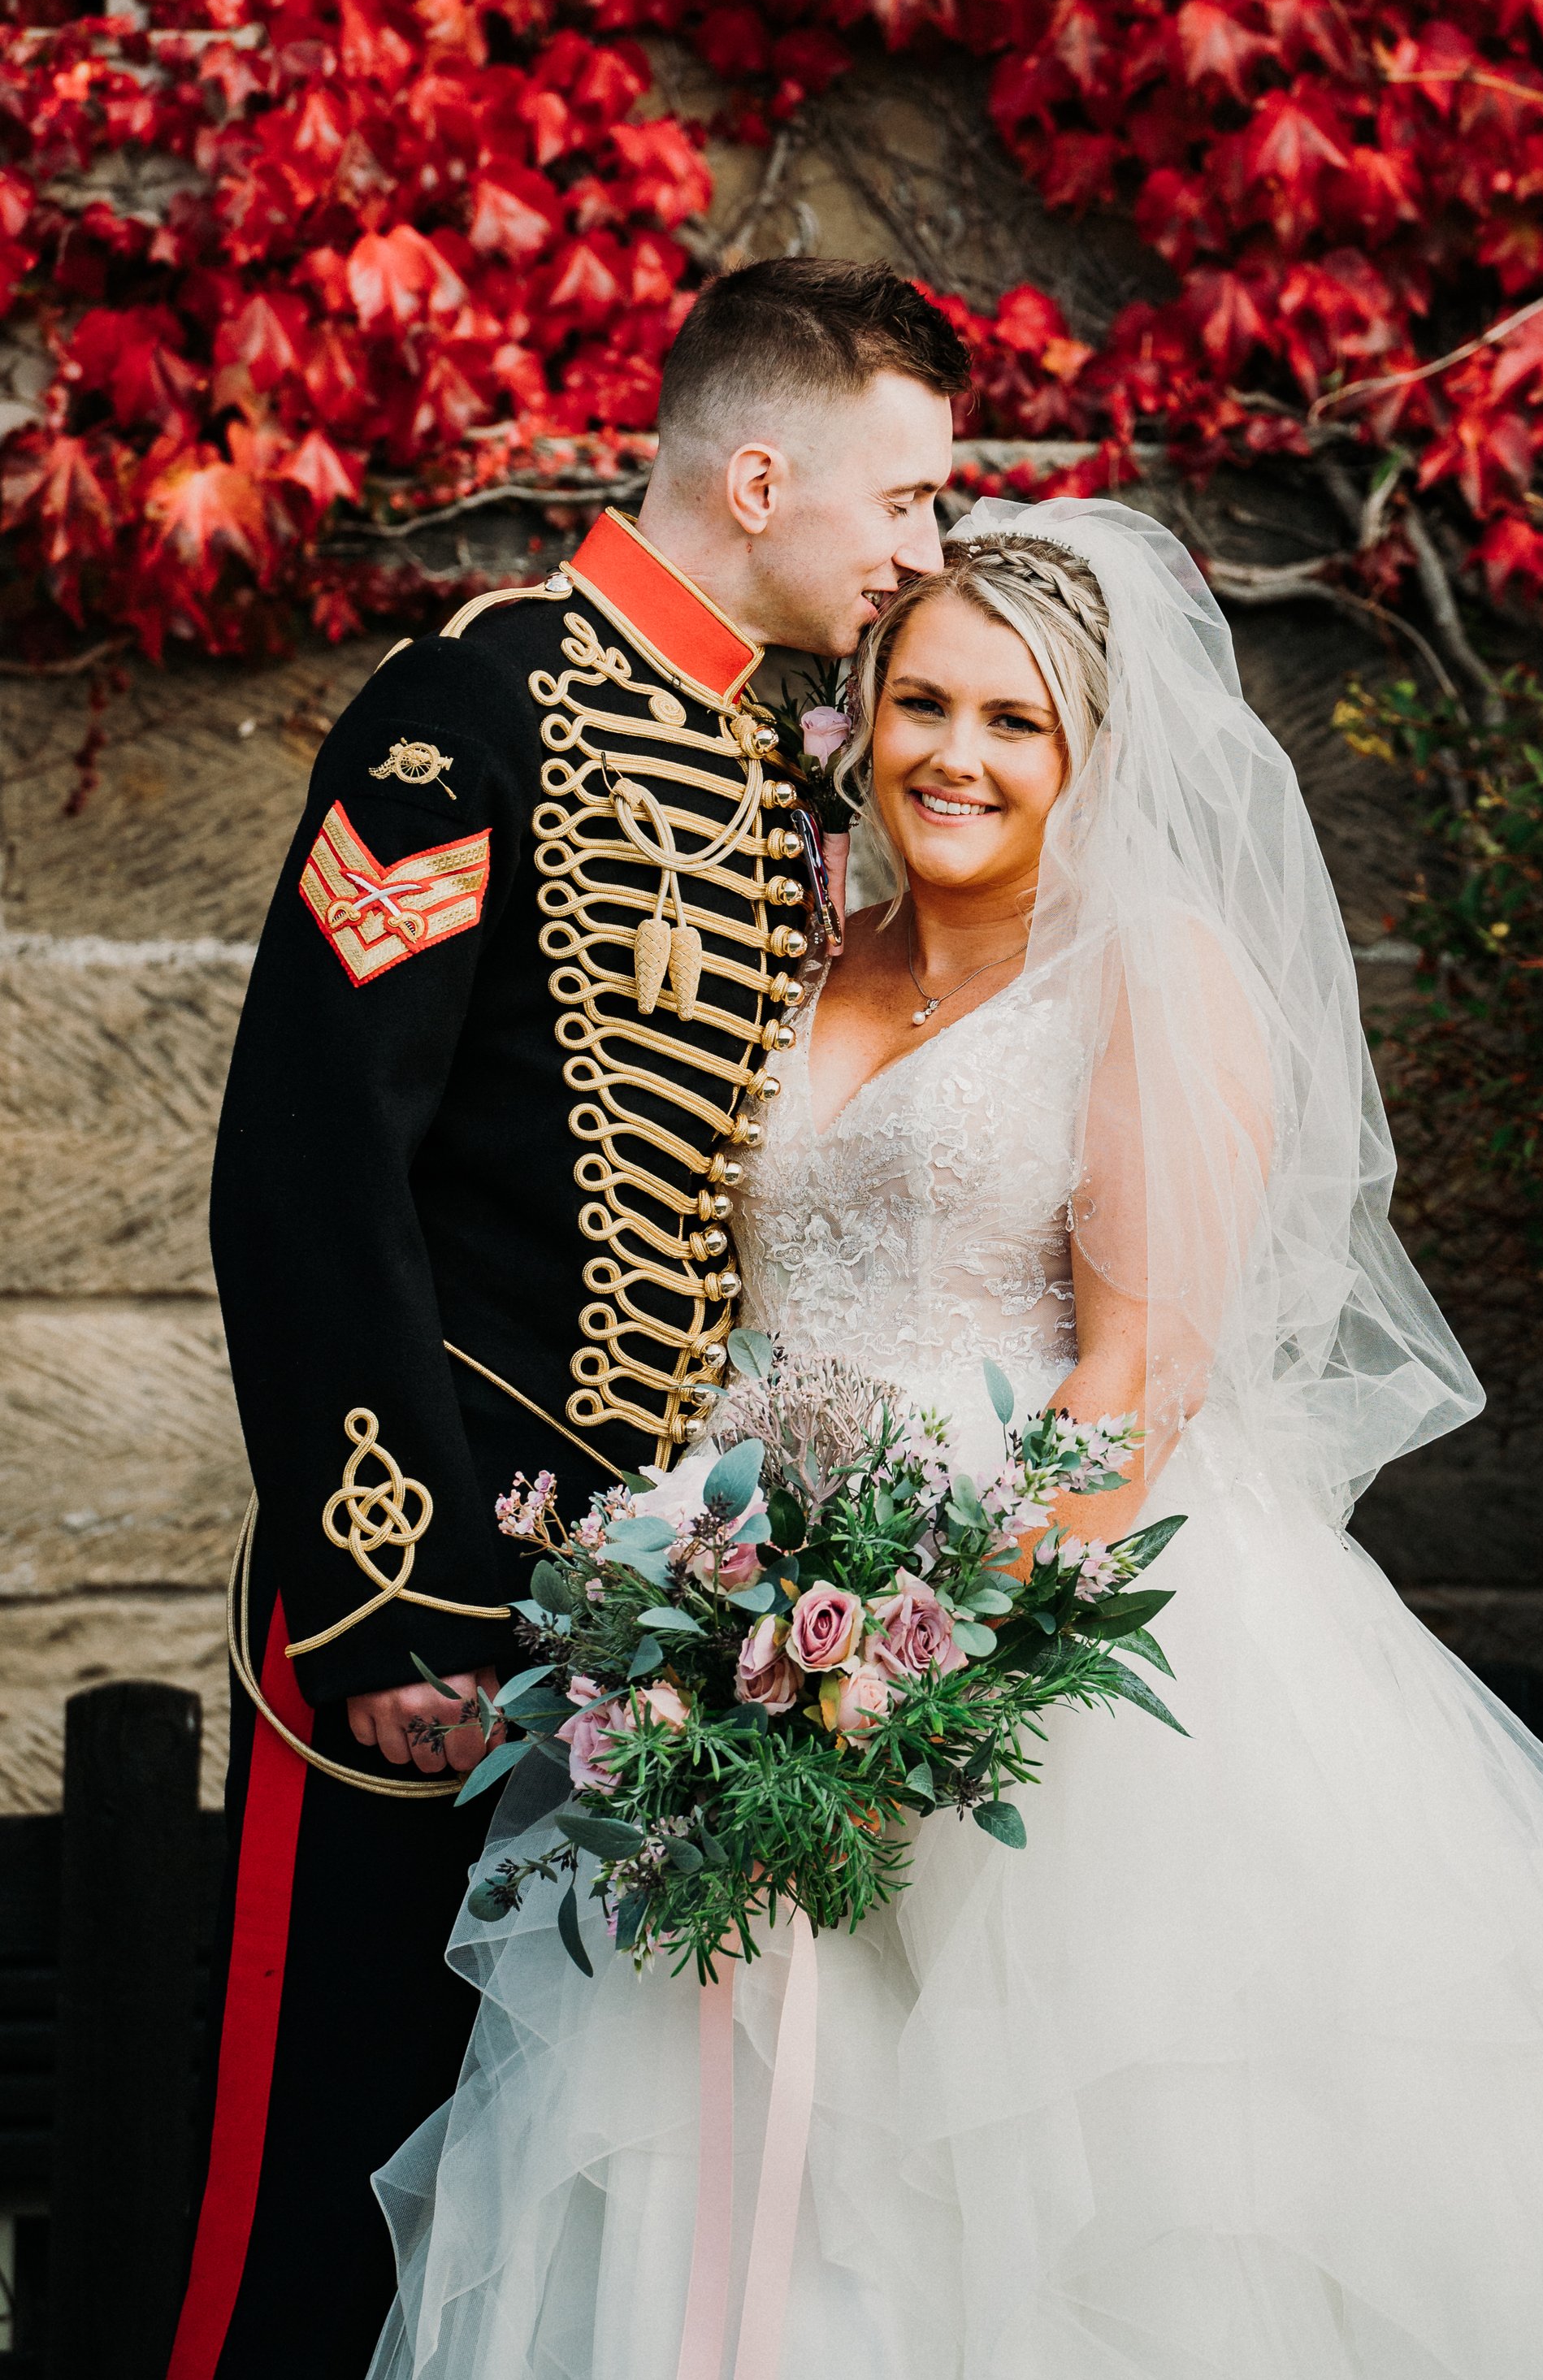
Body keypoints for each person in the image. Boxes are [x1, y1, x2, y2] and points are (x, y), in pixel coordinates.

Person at [366, 501, 1543, 2380]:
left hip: (1033, 1629)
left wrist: (915, 1678)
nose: (956, 756)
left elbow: (1139, 1380)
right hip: (748, 1602)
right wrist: (730, 1637)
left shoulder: (1150, 983)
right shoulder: (796, 961)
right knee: (745, 2176)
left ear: (1087, 754)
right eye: (921, 702)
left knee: (1097, 2198)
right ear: (857, 717)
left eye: (1015, 722)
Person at [166, 258, 971, 2380]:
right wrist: (397, 1602)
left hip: (670, 1619)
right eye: (902, 498)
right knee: (327, 2194)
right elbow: (309, 1166)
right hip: (428, 1585)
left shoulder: (783, 758)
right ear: (762, 465)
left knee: (570, 2228)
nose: (924, 553)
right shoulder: (473, 707)